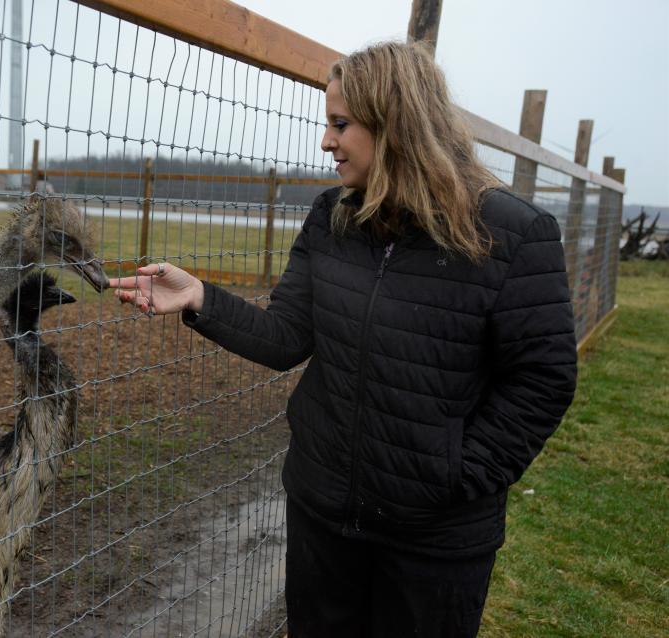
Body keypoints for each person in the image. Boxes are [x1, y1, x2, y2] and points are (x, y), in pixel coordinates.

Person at [108, 41, 577, 638]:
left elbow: (543, 380)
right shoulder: (332, 218)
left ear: (396, 122)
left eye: (340, 124)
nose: (326, 141)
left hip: (434, 540)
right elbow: (286, 336)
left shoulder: (512, 234)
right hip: (323, 514)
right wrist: (200, 297)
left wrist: (457, 476)